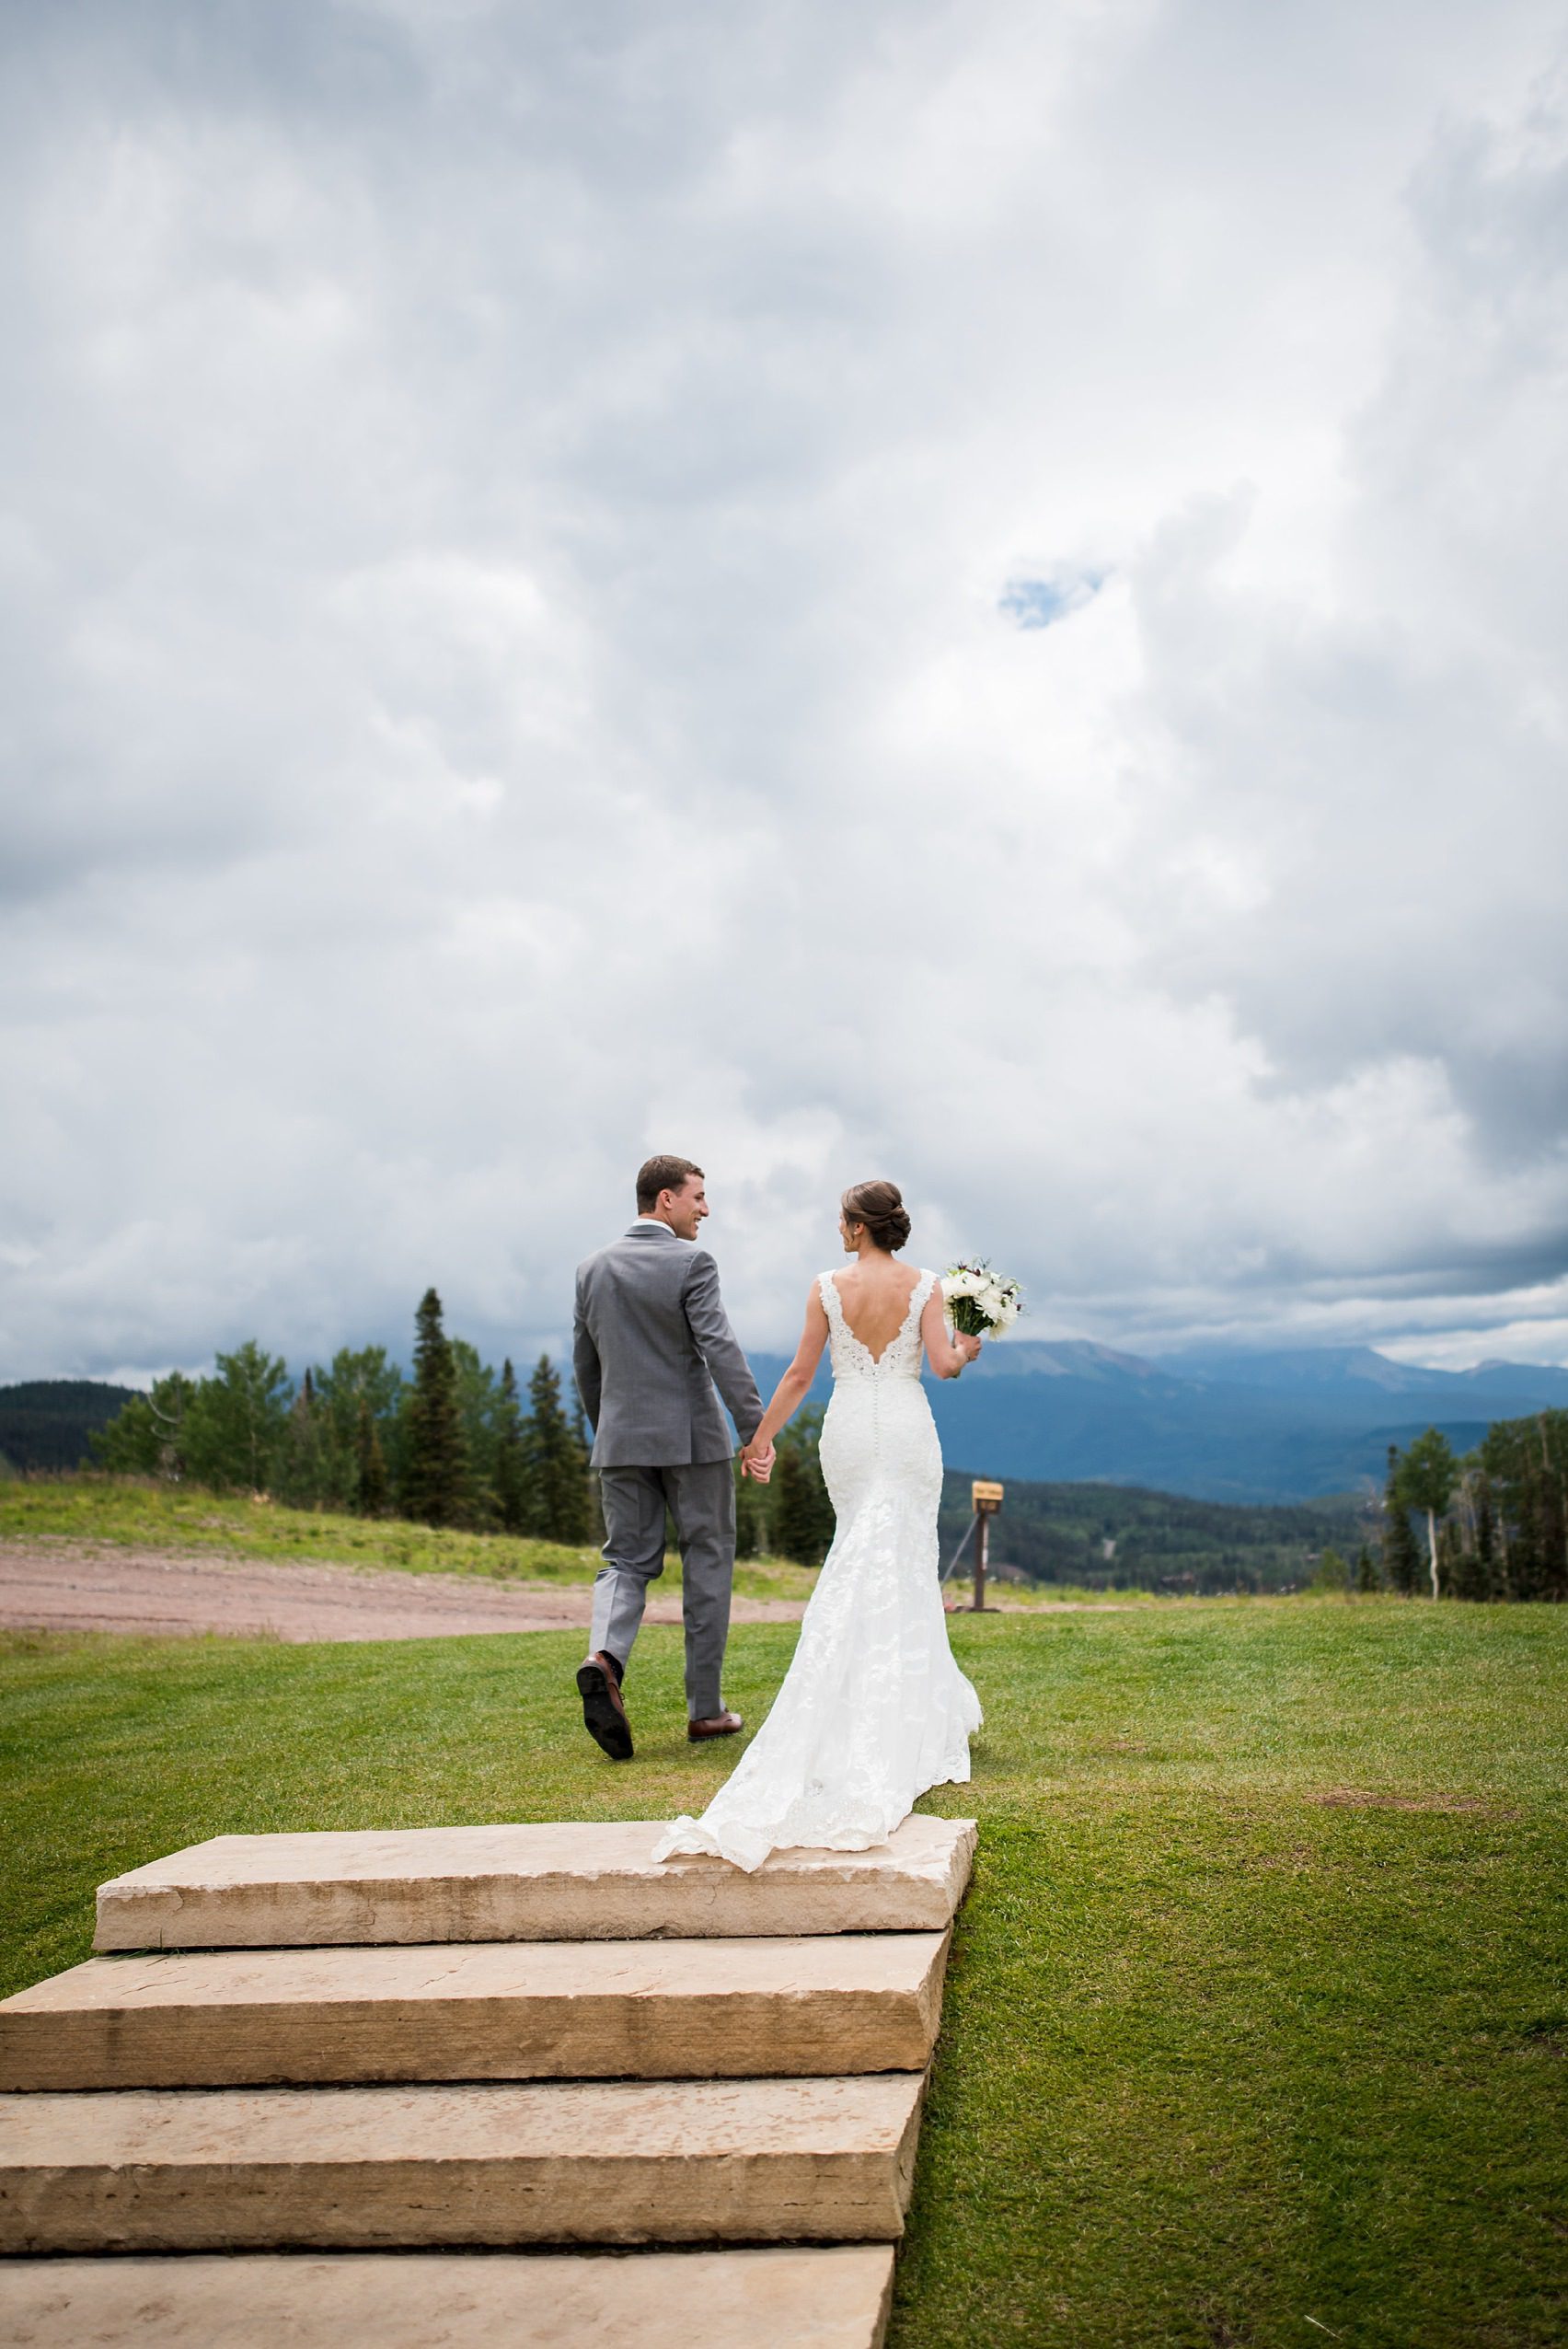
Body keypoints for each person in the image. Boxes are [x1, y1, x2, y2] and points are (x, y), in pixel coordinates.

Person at [653, 1177, 982, 1871]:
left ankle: (853, 1711)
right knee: (904, 1564)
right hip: (904, 1424)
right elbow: (947, 1366)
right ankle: (906, 1722)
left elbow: (802, 1375)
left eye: (842, 1219)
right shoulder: (927, 1287)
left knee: (861, 1554)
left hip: (851, 1437)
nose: (837, 1227)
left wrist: (761, 1441)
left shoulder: (826, 1287)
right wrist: (969, 1343)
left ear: (859, 1228)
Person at [571, 1154, 773, 1761]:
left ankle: (604, 1658)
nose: (705, 1210)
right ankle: (705, 1711)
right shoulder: (692, 1263)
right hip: (693, 1441)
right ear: (665, 1200)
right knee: (708, 1561)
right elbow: (719, 1348)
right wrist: (754, 1431)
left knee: (626, 1561)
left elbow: (587, 1365)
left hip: (621, 1439)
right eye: (698, 1198)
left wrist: (609, 1433)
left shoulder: (591, 1268)